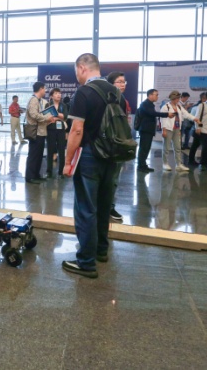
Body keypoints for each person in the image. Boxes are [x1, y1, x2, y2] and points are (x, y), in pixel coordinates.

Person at [61, 53, 126, 279]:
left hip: (89, 156)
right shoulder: (116, 92)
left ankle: (86, 262)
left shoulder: (84, 92)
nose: (76, 76)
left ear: (82, 68)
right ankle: (101, 250)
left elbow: (77, 130)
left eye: (76, 72)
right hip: (112, 156)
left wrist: (67, 162)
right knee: (104, 205)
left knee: (86, 208)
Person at [106, 71, 130, 221]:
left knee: (114, 178)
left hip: (118, 143)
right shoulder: (110, 99)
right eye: (119, 81)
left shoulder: (122, 99)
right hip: (110, 144)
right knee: (111, 178)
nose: (123, 84)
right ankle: (107, 207)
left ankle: (109, 206)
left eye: (124, 82)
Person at [25, 81, 57, 184]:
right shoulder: (34, 100)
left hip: (41, 132)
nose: (45, 91)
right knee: (34, 155)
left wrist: (47, 119)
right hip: (36, 133)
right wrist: (47, 118)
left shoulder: (39, 100)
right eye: (44, 89)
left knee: (38, 155)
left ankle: (36, 175)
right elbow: (34, 114)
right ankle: (30, 177)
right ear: (40, 89)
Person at [160, 90, 198, 172]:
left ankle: (179, 164)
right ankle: (165, 163)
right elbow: (162, 119)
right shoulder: (165, 107)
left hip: (177, 129)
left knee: (178, 147)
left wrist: (194, 119)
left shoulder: (179, 107)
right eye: (177, 98)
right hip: (168, 129)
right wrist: (164, 130)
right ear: (172, 98)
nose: (178, 100)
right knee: (166, 147)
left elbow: (186, 114)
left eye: (178, 98)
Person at [137, 88, 174, 172]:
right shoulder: (145, 104)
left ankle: (143, 165)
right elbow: (153, 113)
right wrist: (167, 114)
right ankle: (141, 166)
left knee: (146, 148)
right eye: (156, 95)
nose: (157, 97)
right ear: (150, 95)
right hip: (145, 130)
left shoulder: (150, 104)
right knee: (144, 148)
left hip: (148, 130)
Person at [46, 88, 68, 178]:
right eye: (56, 93)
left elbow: (65, 116)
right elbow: (46, 117)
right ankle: (49, 171)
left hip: (61, 130)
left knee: (61, 150)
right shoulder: (48, 105)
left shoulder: (63, 105)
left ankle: (61, 171)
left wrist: (56, 116)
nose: (58, 95)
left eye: (59, 93)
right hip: (50, 129)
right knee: (50, 150)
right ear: (52, 96)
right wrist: (59, 116)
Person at [188, 92, 207, 166]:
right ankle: (191, 160)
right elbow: (191, 118)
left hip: (206, 130)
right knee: (195, 145)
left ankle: (203, 160)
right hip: (198, 129)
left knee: (204, 145)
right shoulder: (196, 107)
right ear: (203, 99)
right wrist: (197, 125)